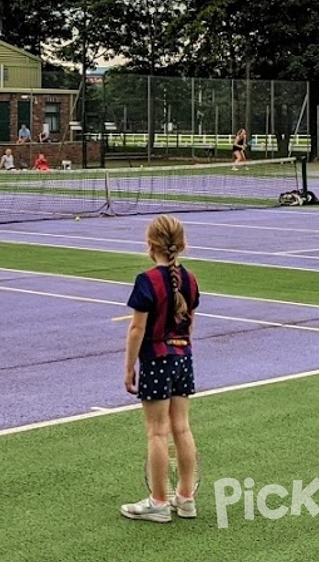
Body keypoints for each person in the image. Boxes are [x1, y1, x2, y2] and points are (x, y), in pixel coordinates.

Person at [121, 214, 201, 523]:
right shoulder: (191, 279)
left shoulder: (147, 281)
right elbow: (190, 322)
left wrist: (129, 367)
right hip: (184, 358)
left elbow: (136, 329)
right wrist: (182, 348)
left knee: (157, 431)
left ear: (150, 244)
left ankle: (158, 501)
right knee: (182, 427)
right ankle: (186, 497)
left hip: (157, 359)